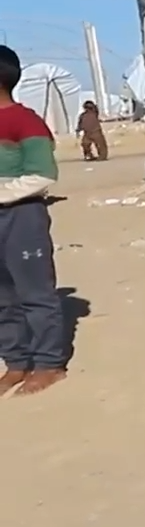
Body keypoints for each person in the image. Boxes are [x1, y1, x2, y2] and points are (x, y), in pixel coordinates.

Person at [0, 46, 68, 396]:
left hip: (21, 215)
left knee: (35, 292)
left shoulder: (24, 120)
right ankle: (15, 362)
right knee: (2, 296)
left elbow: (43, 174)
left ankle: (48, 363)